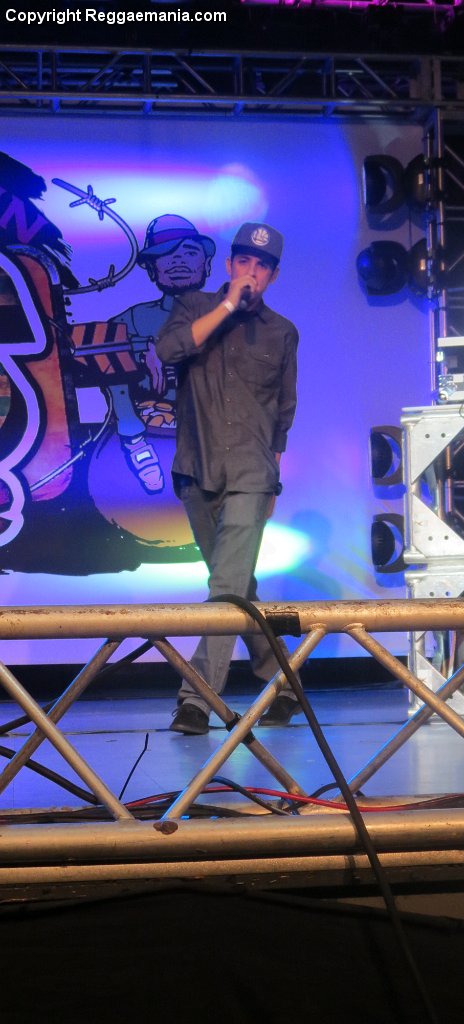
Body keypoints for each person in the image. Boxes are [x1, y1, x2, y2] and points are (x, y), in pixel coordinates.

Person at [156, 221, 301, 734]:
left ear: (273, 276)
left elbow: (283, 412)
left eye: (262, 266)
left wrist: (272, 483)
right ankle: (285, 687)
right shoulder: (194, 306)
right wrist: (226, 307)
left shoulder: (282, 332)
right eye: (244, 262)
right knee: (239, 586)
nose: (251, 272)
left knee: (223, 587)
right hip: (196, 471)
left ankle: (197, 701)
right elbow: (169, 351)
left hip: (252, 475)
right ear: (230, 265)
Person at [109, 215, 216, 492]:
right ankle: (134, 441)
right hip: (148, 426)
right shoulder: (132, 319)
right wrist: (137, 353)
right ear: (151, 268)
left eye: (189, 252)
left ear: (206, 263)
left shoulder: (226, 316)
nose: (178, 261)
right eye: (166, 254)